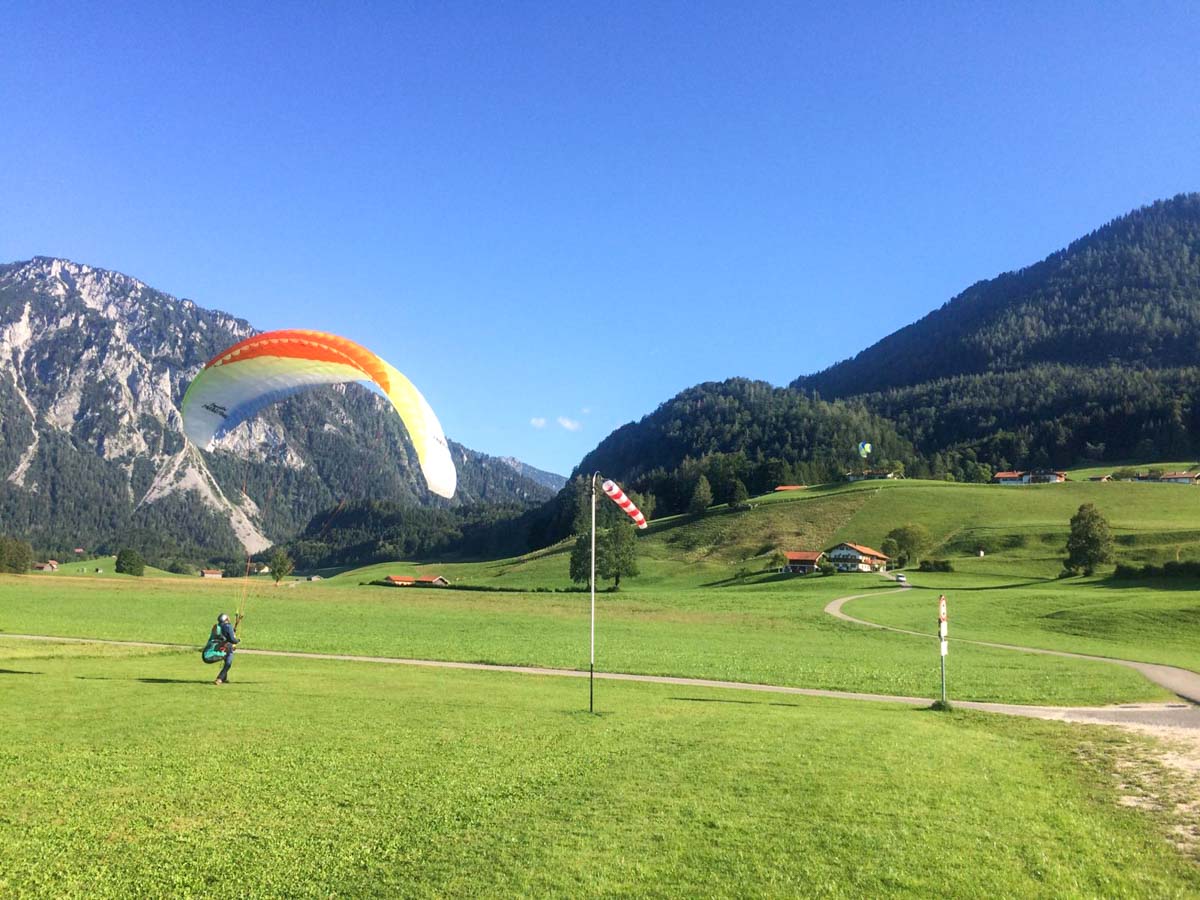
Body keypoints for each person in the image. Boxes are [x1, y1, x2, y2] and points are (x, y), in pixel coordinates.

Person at [211, 613, 239, 685]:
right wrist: (237, 641)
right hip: (228, 647)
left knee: (226, 661)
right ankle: (219, 678)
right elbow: (232, 639)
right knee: (228, 663)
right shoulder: (227, 626)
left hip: (220, 647)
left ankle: (224, 678)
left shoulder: (219, 626)